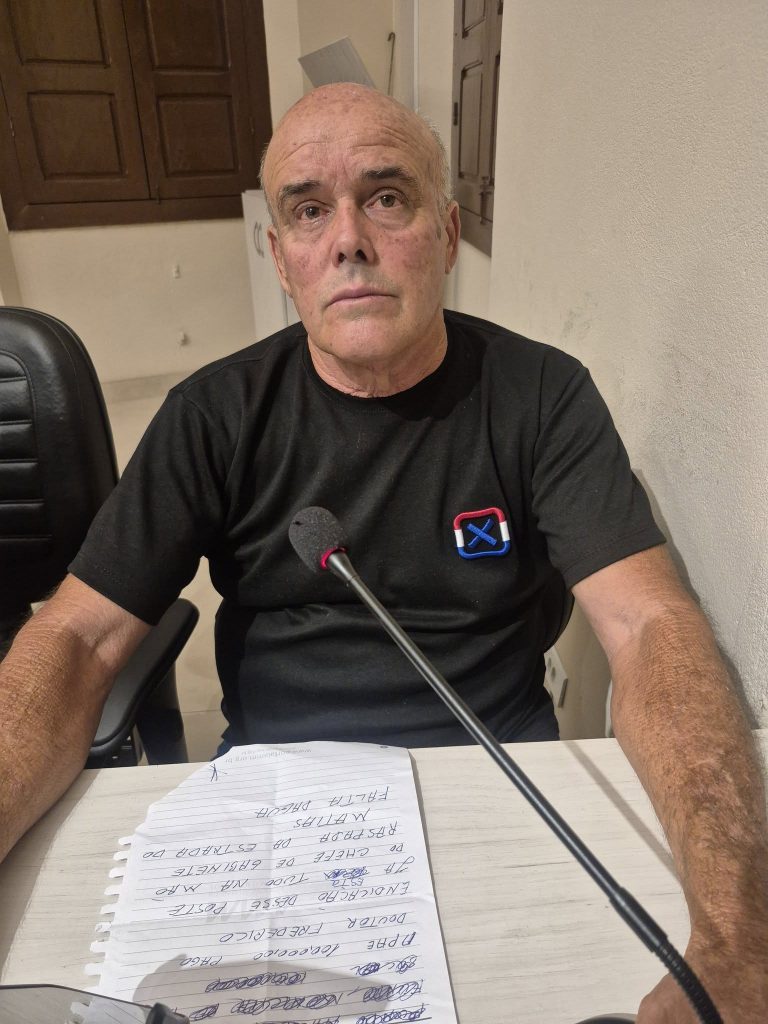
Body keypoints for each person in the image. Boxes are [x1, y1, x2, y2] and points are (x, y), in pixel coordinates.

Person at [0, 84, 766, 1021]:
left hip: (501, 783)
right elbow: (78, 637)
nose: (348, 241)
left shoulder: (543, 396)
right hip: (277, 811)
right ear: (281, 260)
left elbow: (650, 625)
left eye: (387, 198)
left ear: (447, 234)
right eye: (309, 211)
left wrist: (739, 940)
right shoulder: (213, 413)